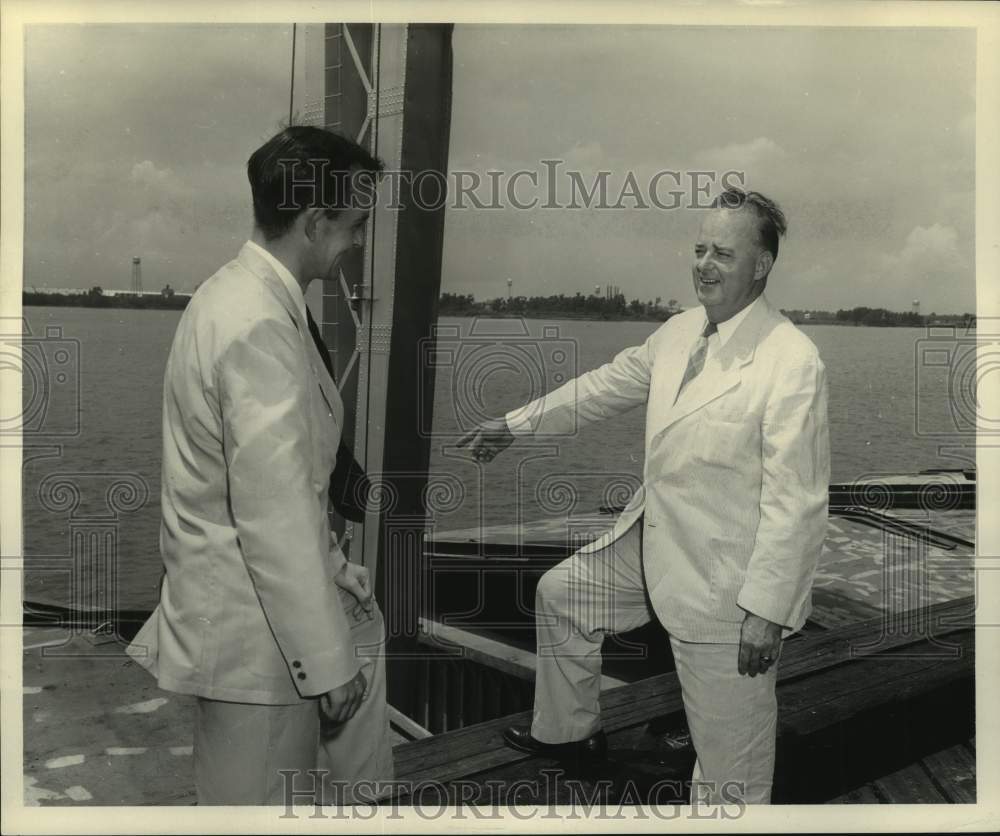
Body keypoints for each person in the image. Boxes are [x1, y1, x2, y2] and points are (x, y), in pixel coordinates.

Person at [459, 188, 830, 805]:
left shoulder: (791, 361)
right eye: (699, 249)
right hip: (653, 545)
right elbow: (601, 388)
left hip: (724, 586)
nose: (705, 265)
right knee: (563, 595)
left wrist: (766, 611)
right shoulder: (680, 331)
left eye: (724, 254)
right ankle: (570, 732)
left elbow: (797, 502)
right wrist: (515, 424)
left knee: (730, 768)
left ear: (761, 266)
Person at [126, 126, 393, 805]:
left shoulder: (234, 296)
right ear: (314, 221)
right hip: (260, 648)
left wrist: (335, 574)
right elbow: (273, 512)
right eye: (354, 225)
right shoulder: (260, 324)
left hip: (250, 626)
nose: (359, 243)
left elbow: (267, 485)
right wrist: (329, 665)